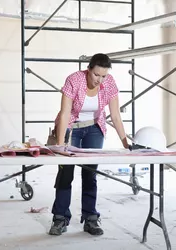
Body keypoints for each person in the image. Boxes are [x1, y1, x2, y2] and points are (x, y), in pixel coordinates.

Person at [49, 53, 129, 236]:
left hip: (94, 128)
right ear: (89, 69)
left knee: (90, 173)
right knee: (65, 173)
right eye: (96, 75)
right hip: (72, 127)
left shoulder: (108, 83)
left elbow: (115, 115)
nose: (100, 80)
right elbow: (64, 113)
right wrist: (61, 146)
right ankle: (60, 218)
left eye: (104, 76)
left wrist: (126, 143)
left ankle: (90, 218)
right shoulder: (74, 80)